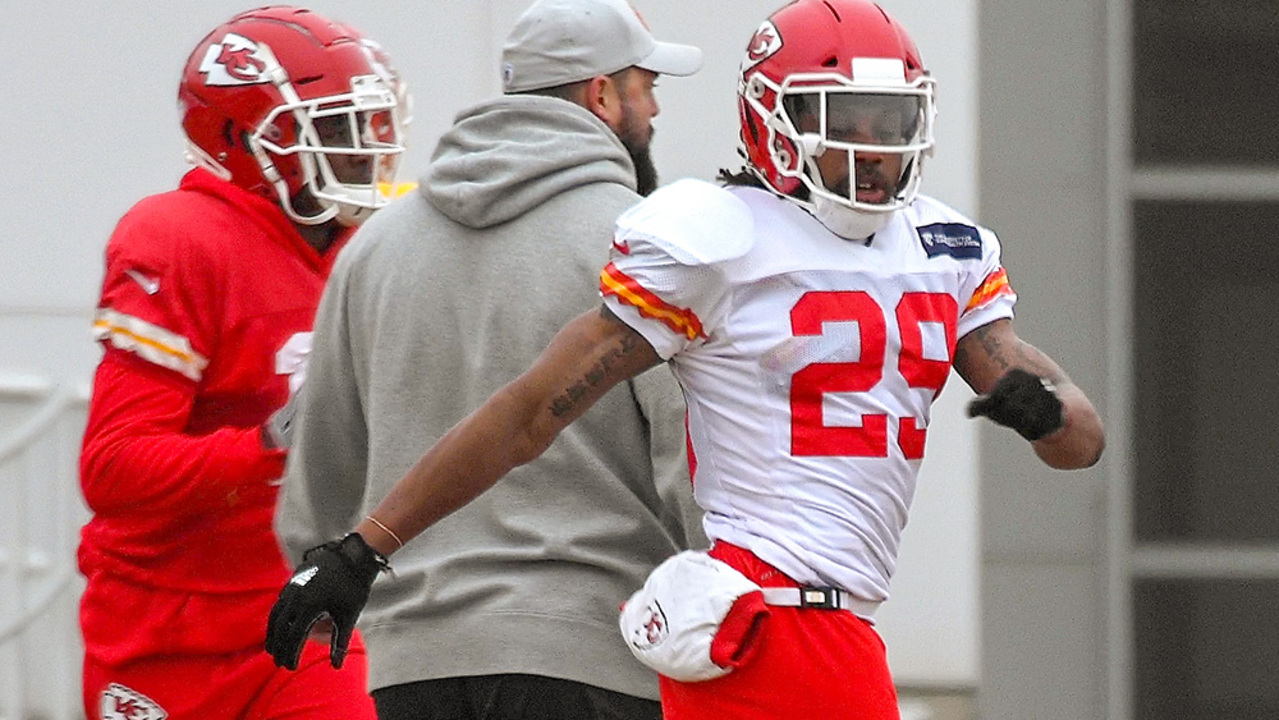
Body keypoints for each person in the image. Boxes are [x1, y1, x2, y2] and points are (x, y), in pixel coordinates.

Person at [266, 0, 1106, 718]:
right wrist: (363, 546)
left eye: (888, 121)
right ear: (771, 118)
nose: (869, 145)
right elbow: (529, 412)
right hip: (757, 614)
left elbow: (1079, 442)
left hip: (838, 625)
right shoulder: (713, 236)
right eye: (838, 118)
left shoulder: (943, 245)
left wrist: (1045, 410)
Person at [267, 0, 704, 718]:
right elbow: (690, 466)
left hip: (412, 669)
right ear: (601, 93)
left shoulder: (374, 248)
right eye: (645, 85)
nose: (653, 109)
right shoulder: (639, 246)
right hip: (595, 658)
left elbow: (318, 491)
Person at [77, 7, 409, 719]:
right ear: (240, 137)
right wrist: (272, 444)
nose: (363, 151)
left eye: (371, 125)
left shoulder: (374, 246)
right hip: (167, 626)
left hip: (310, 602)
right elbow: (113, 469)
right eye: (332, 128)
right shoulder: (179, 238)